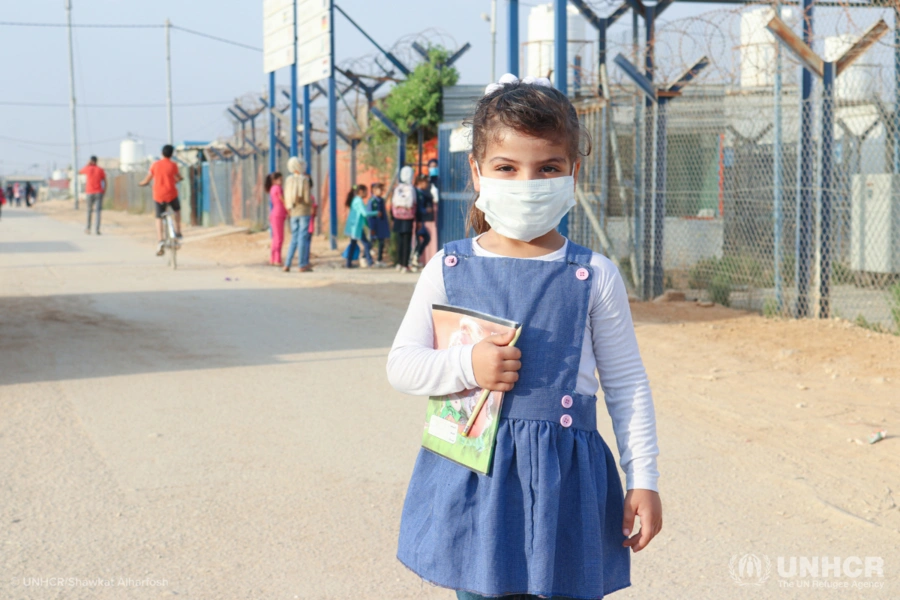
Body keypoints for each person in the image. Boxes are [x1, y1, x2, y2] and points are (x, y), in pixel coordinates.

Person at [386, 74, 662, 600]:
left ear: (573, 172)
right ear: (477, 172)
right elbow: (402, 364)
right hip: (476, 480)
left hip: (568, 486)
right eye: (507, 168)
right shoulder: (447, 266)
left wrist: (642, 478)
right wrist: (468, 365)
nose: (527, 182)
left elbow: (626, 384)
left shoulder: (594, 274)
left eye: (548, 168)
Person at [139, 144, 183, 256]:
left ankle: (160, 240)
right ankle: (178, 232)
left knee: (158, 217)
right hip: (172, 194)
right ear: (172, 154)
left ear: (161, 153)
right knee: (177, 211)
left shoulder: (155, 165)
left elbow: (147, 179)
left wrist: (142, 183)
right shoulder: (173, 165)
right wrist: (178, 179)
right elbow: (178, 177)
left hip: (159, 195)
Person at [283, 156, 314, 272]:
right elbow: (306, 198)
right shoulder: (304, 180)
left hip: (293, 211)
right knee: (302, 237)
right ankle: (302, 264)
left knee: (294, 238)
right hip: (304, 211)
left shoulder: (288, 180)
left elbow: (286, 197)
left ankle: (287, 264)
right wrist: (311, 204)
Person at [343, 184, 377, 268]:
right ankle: (369, 261)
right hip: (356, 227)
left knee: (353, 244)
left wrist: (368, 225)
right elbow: (364, 213)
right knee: (366, 244)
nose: (367, 193)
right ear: (361, 192)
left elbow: (362, 216)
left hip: (355, 226)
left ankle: (349, 263)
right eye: (366, 191)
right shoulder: (358, 200)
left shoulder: (355, 200)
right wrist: (376, 213)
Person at [391, 166, 416, 272]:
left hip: (398, 218)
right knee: (407, 242)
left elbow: (394, 203)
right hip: (408, 219)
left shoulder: (397, 188)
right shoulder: (411, 189)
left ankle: (400, 263)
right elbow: (412, 203)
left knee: (400, 241)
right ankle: (405, 265)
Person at [412, 174, 435, 268]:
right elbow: (417, 208)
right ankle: (413, 259)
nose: (427, 184)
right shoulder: (417, 193)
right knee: (419, 240)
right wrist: (426, 210)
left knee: (425, 238)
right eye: (425, 182)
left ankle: (415, 258)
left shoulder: (421, 193)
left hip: (420, 220)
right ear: (420, 182)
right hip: (416, 221)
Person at [80, 156, 107, 235]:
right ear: (96, 161)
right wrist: (104, 190)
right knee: (98, 212)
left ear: (91, 161)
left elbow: (80, 171)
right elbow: (105, 181)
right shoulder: (100, 170)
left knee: (89, 211)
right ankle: (97, 229)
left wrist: (87, 164)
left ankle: (88, 228)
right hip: (99, 192)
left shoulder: (88, 169)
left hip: (89, 192)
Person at [367, 182, 391, 267]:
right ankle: (365, 256)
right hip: (375, 226)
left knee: (381, 242)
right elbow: (368, 214)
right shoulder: (372, 201)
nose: (380, 191)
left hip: (382, 226)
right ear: (373, 190)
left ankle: (379, 260)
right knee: (372, 242)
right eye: (378, 189)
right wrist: (371, 227)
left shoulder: (381, 200)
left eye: (381, 189)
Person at [265, 171, 286, 266]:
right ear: (274, 180)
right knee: (279, 237)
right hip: (278, 214)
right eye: (280, 180)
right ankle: (277, 259)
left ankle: (273, 258)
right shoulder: (278, 188)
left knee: (275, 237)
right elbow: (282, 199)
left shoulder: (272, 188)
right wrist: (289, 210)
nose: (281, 182)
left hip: (275, 214)